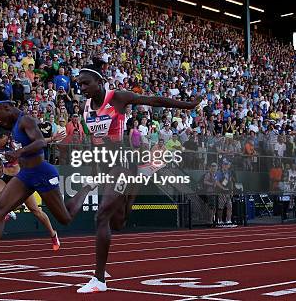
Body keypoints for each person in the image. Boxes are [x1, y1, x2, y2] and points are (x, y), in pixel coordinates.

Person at [75, 59, 202, 293]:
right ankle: (132, 193)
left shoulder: (117, 98)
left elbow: (153, 100)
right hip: (104, 167)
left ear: (99, 82)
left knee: (101, 216)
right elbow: (95, 141)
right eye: (79, 84)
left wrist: (187, 106)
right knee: (118, 221)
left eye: (85, 83)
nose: (81, 88)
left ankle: (99, 280)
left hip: (120, 165)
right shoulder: (85, 108)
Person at [0, 84, 94, 274]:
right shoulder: (10, 122)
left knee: (64, 218)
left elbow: (40, 142)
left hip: (42, 172)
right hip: (24, 176)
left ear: (7, 107)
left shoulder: (26, 120)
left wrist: (19, 152)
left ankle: (87, 187)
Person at [0, 126, 60, 249]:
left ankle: (53, 233)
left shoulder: (16, 143)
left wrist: (52, 139)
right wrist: (0, 169)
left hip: (22, 181)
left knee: (36, 211)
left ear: (4, 137)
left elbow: (36, 143)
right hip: (6, 179)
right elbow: (3, 160)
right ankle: (6, 214)